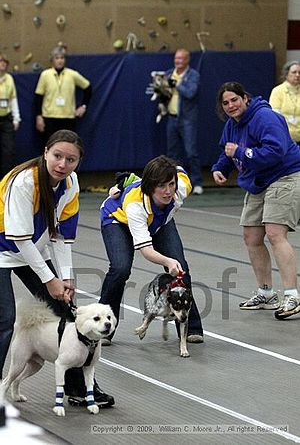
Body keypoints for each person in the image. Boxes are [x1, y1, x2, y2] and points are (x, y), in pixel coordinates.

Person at [0, 129, 114, 407]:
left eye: (71, 159)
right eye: (58, 156)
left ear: (78, 162)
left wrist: (65, 277)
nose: (63, 164)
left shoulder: (70, 184)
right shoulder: (24, 181)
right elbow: (20, 241)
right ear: (46, 153)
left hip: (31, 251)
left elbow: (60, 236)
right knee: (4, 320)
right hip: (5, 250)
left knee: (65, 310)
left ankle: (78, 388)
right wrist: (50, 278)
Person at [212, 81, 300, 319]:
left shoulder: (265, 118)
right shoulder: (232, 124)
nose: (231, 105)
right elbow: (227, 151)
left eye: (234, 100)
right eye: (226, 102)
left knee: (274, 232)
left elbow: (275, 151)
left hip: (285, 176)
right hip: (258, 180)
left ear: (245, 98)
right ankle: (266, 292)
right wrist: (221, 167)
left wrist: (240, 153)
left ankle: (292, 295)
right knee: (251, 236)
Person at [99, 155, 203, 345]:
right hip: (118, 220)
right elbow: (146, 250)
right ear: (150, 187)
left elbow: (179, 170)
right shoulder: (135, 204)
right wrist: (167, 262)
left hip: (159, 221)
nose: (168, 191)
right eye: (161, 186)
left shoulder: (180, 187)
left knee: (182, 266)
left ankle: (191, 327)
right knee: (120, 269)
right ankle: (104, 327)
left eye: (171, 184)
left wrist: (174, 262)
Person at [165, 49, 203, 195]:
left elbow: (190, 93)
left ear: (187, 60)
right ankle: (174, 183)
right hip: (171, 118)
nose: (178, 61)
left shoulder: (193, 75)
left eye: (181, 59)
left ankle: (197, 182)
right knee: (172, 154)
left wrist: (176, 84)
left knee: (191, 152)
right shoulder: (169, 73)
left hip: (187, 120)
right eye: (176, 58)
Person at [34, 46, 92, 144]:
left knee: (67, 147)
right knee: (50, 147)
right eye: (57, 58)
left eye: (62, 58)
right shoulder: (45, 75)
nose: (60, 61)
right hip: (49, 117)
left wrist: (83, 106)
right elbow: (38, 97)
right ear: (52, 60)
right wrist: (39, 116)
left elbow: (88, 87)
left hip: (68, 118)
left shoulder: (72, 74)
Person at [0, 53, 21, 179]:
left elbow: (13, 99)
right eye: (0, 61)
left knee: (8, 151)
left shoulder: (9, 79)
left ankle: (6, 180)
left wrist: (16, 117)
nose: (2, 64)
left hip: (6, 119)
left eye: (4, 62)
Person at [269, 60, 300, 145]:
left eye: (299, 72)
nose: (297, 75)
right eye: (294, 72)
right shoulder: (277, 91)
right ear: (286, 74)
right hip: (285, 138)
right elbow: (275, 117)